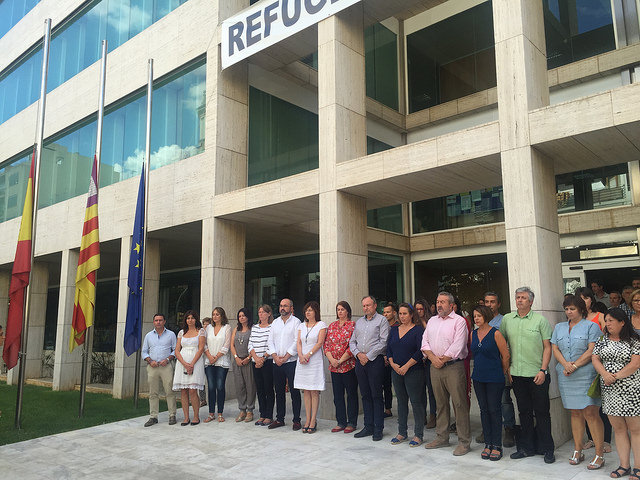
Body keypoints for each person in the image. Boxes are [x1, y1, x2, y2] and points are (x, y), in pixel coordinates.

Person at [500, 287, 555, 464]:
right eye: (517, 297)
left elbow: (547, 347)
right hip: (517, 375)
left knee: (542, 413)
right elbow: (502, 346)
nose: (520, 300)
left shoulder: (540, 320)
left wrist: (543, 370)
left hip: (537, 375)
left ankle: (547, 449)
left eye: (523, 298)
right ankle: (526, 448)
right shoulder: (507, 319)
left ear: (531, 301)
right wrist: (507, 369)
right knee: (523, 413)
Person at [551, 295, 605, 469]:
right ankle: (577, 450)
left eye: (572, 309)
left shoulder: (591, 326)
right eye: (566, 309)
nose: (569, 312)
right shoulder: (559, 327)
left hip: (586, 374)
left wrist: (574, 365)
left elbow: (592, 350)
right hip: (565, 374)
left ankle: (599, 454)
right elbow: (555, 348)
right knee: (575, 413)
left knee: (591, 413)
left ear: (581, 309)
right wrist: (566, 365)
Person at [592, 308, 640, 480]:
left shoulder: (634, 340)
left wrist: (615, 376)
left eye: (611, 320)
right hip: (610, 390)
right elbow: (595, 358)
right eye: (606, 320)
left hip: (631, 389)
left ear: (622, 322)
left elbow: (635, 364)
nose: (607, 324)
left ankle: (638, 467)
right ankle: (624, 465)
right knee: (619, 429)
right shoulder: (602, 340)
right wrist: (605, 374)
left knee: (635, 429)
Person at [421, 291, 471, 456]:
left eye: (443, 302)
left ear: (451, 305)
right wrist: (433, 358)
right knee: (440, 404)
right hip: (435, 367)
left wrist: (441, 360)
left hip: (453, 367)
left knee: (459, 404)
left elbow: (458, 345)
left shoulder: (459, 321)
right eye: (438, 301)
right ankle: (442, 438)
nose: (439, 305)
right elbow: (424, 342)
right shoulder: (432, 321)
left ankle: (464, 442)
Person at [471, 305, 510, 461]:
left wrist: (502, 371)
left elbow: (505, 356)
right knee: (484, 410)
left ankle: (497, 445)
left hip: (494, 378)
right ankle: (488, 443)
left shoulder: (496, 333)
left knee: (494, 410)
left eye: (479, 316)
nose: (476, 319)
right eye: (474, 316)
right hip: (478, 377)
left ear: (486, 316)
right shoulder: (473, 334)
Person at [349, 295, 390, 441]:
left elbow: (384, 342)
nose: (366, 308)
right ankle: (368, 426)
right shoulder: (359, 322)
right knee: (365, 395)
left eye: (368, 305)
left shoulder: (382, 320)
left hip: (375, 361)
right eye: (364, 306)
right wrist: (358, 354)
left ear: (375, 305)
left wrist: (368, 355)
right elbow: (352, 342)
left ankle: (378, 428)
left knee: (376, 395)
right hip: (360, 362)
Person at [387, 303, 425, 447]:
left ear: (411, 315)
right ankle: (402, 432)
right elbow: (389, 349)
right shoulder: (394, 330)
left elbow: (420, 351)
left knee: (416, 402)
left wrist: (406, 366)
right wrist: (392, 364)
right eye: (400, 314)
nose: (402, 316)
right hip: (396, 370)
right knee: (401, 402)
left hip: (414, 371)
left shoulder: (418, 330)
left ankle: (418, 434)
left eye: (405, 314)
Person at [483, 291, 515, 447]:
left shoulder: (504, 321)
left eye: (492, 302)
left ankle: (509, 428)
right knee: (487, 401)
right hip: (485, 367)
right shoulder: (481, 321)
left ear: (498, 304)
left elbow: (508, 346)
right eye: (487, 302)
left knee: (504, 400)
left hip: (501, 367)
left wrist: (506, 368)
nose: (489, 305)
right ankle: (488, 429)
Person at [267, 298, 302, 430]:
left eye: (285, 306)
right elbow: (270, 341)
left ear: (291, 308)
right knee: (279, 392)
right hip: (277, 362)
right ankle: (280, 419)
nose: (282, 308)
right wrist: (275, 357)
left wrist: (286, 356)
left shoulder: (296, 322)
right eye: (281, 306)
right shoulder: (275, 323)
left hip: (291, 362)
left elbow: (296, 341)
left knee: (294, 392)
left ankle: (296, 420)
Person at [325, 300, 358, 433]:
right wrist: (332, 360)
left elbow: (353, 346)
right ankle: (341, 422)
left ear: (348, 311)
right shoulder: (332, 326)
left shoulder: (353, 325)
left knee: (351, 395)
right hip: (334, 367)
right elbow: (326, 345)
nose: (340, 312)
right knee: (337, 396)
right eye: (338, 309)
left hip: (348, 366)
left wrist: (340, 361)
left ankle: (352, 422)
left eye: (342, 309)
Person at [295, 301, 327, 433]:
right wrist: (301, 355)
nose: (307, 312)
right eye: (306, 310)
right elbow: (298, 342)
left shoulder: (321, 325)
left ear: (316, 312)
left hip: (314, 361)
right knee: (306, 391)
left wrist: (308, 355)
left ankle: (313, 420)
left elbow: (320, 343)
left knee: (314, 391)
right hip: (302, 361)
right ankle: (307, 419)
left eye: (310, 310)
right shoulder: (301, 325)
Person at [142, 313, 177, 427]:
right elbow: (144, 351)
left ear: (164, 321)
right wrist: (149, 360)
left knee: (169, 391)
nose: (158, 322)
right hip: (152, 367)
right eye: (156, 320)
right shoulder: (148, 336)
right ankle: (153, 417)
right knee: (153, 393)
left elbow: (175, 350)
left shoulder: (171, 334)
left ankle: (172, 415)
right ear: (153, 322)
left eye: (160, 320)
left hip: (166, 366)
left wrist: (167, 359)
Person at [172, 310, 206, 425]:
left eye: (192, 318)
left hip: (196, 362)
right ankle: (186, 417)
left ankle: (196, 416)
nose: (190, 320)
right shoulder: (181, 332)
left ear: (196, 319)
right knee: (184, 390)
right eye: (188, 318)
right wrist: (185, 364)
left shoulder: (200, 331)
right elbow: (177, 350)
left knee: (192, 390)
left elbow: (201, 348)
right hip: (182, 363)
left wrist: (191, 364)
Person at [203, 307, 231, 423]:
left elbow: (227, 344)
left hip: (221, 361)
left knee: (220, 387)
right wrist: (210, 357)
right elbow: (204, 344)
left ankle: (220, 413)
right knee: (211, 387)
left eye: (217, 314)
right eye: (213, 314)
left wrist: (216, 357)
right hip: (209, 361)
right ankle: (211, 414)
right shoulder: (208, 328)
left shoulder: (227, 327)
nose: (215, 316)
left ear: (222, 316)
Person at [249, 304, 275, 426]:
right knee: (259, 389)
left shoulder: (272, 327)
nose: (260, 314)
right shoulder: (254, 328)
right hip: (255, 362)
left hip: (267, 361)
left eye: (263, 312)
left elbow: (272, 344)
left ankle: (269, 416)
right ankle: (262, 414)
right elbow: (250, 344)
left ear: (269, 314)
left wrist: (263, 358)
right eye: (259, 312)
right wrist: (255, 358)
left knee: (268, 389)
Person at [231, 308, 256, 423]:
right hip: (237, 361)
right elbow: (232, 345)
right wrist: (236, 357)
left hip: (248, 361)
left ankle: (250, 410)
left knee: (250, 386)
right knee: (239, 386)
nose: (241, 318)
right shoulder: (236, 329)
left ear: (248, 316)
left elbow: (255, 345)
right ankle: (242, 410)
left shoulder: (253, 329)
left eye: (243, 316)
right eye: (240, 316)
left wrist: (248, 358)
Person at [415, 299, 436, 429]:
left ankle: (433, 416)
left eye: (421, 309)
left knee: (432, 390)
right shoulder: (413, 322)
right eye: (416, 309)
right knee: (420, 390)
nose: (419, 311)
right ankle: (422, 416)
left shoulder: (432, 321)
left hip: (429, 359)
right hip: (417, 360)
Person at [382, 302, 399, 419]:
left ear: (394, 313)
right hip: (383, 359)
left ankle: (390, 409)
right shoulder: (382, 326)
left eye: (388, 312)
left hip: (395, 359)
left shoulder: (398, 326)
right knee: (385, 384)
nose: (385, 314)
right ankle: (386, 409)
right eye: (384, 312)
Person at [199, 317, 211, 407]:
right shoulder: (200, 334)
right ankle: (202, 399)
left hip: (210, 359)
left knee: (210, 381)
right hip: (201, 359)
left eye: (207, 324)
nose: (205, 326)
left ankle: (212, 399)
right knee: (201, 380)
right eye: (204, 324)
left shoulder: (212, 335)